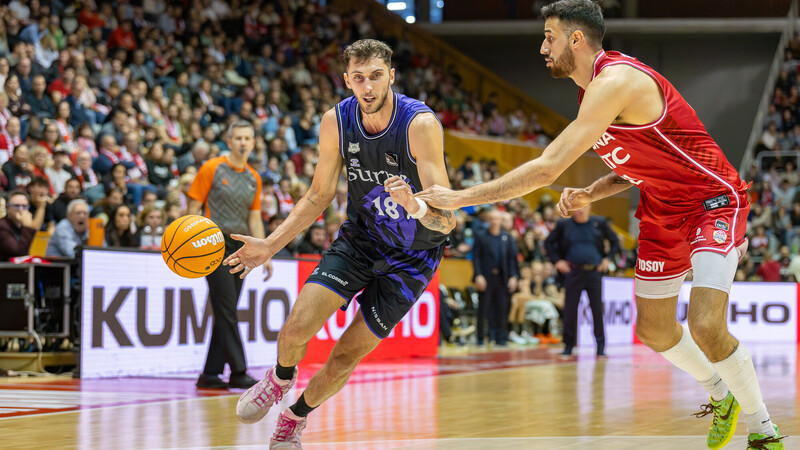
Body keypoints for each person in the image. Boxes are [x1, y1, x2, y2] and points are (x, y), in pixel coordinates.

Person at [417, 1, 784, 448]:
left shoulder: (616, 81)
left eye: (549, 37)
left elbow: (547, 168)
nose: (542, 48)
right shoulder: (591, 92)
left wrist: (461, 198)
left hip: (712, 202)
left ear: (576, 39)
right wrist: (592, 192)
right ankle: (720, 394)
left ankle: (763, 429)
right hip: (661, 209)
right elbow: (641, 164)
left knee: (705, 325)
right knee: (653, 330)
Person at [222, 40, 455, 448]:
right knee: (296, 328)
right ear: (347, 80)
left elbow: (447, 218)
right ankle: (280, 378)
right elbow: (318, 195)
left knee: (346, 356)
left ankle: (295, 417)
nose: (368, 87)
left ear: (392, 76)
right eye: (359, 78)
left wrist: (415, 205)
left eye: (376, 76)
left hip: (414, 257)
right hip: (360, 240)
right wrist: (270, 245)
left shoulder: (419, 124)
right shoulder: (336, 121)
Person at [186, 120, 265, 391]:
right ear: (229, 141)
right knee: (227, 308)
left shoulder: (254, 178)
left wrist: (264, 250)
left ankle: (210, 373)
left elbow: (254, 219)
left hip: (240, 249)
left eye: (247, 138)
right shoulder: (212, 168)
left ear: (253, 143)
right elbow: (193, 208)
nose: (243, 142)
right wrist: (191, 243)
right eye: (238, 138)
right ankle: (239, 371)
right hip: (212, 244)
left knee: (225, 309)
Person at [544, 204, 618, 356]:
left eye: (583, 207)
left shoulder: (599, 223)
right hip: (573, 272)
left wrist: (607, 259)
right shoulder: (564, 225)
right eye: (577, 207)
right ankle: (568, 345)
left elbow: (615, 242)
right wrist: (557, 261)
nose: (580, 210)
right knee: (570, 310)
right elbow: (548, 243)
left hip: (594, 272)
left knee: (597, 310)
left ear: (590, 207)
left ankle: (600, 346)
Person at [471, 208, 519, 346]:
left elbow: (512, 259)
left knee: (502, 308)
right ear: (488, 220)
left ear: (501, 221)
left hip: (502, 277)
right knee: (483, 308)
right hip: (486, 277)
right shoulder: (481, 236)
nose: (494, 221)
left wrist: (514, 276)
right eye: (491, 218)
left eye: (497, 218)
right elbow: (476, 257)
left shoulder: (507, 238)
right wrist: (478, 275)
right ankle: (481, 338)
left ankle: (500, 337)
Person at [0, 191, 36, 261]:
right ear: (7, 208)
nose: (21, 209)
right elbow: (19, 254)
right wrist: (27, 227)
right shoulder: (2, 226)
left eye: (24, 206)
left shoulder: (22, 226)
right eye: (16, 206)